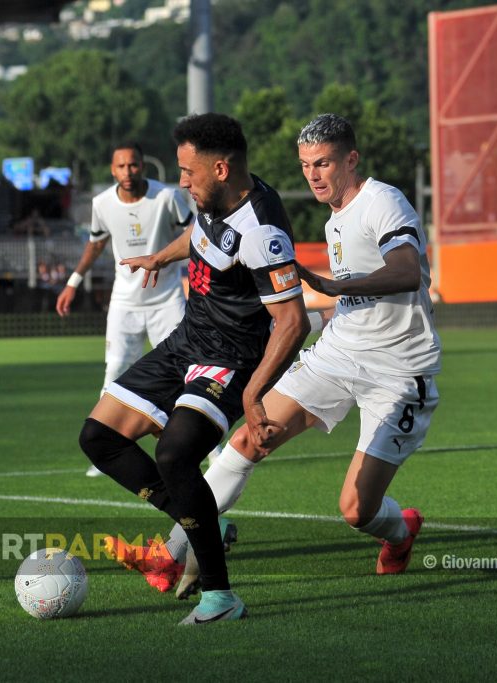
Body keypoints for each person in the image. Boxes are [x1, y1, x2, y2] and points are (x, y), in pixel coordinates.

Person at [164, 113, 441, 598]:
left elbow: (406, 271)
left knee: (357, 511)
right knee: (249, 440)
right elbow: (356, 304)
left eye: (324, 163)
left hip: (399, 372)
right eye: (306, 165)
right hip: (337, 356)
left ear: (351, 159)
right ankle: (169, 553)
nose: (313, 174)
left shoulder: (382, 201)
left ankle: (401, 532)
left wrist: (339, 285)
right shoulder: (334, 215)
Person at [77, 113, 310, 625]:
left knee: (175, 455)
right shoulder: (215, 200)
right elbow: (203, 239)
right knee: (98, 437)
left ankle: (221, 598)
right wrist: (161, 255)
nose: (181, 182)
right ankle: (201, 521)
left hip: (229, 357)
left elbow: (293, 323)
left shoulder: (262, 230)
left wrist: (252, 395)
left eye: (189, 172)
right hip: (186, 339)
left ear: (221, 169)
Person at [56, 142, 193, 477]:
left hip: (167, 300)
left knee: (190, 372)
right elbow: (96, 242)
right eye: (121, 167)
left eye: (133, 165)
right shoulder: (102, 204)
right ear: (112, 170)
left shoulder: (166, 197)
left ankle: (210, 448)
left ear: (141, 167)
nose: (128, 172)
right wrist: (73, 282)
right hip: (125, 302)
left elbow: (195, 232)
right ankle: (106, 452)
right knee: (115, 369)